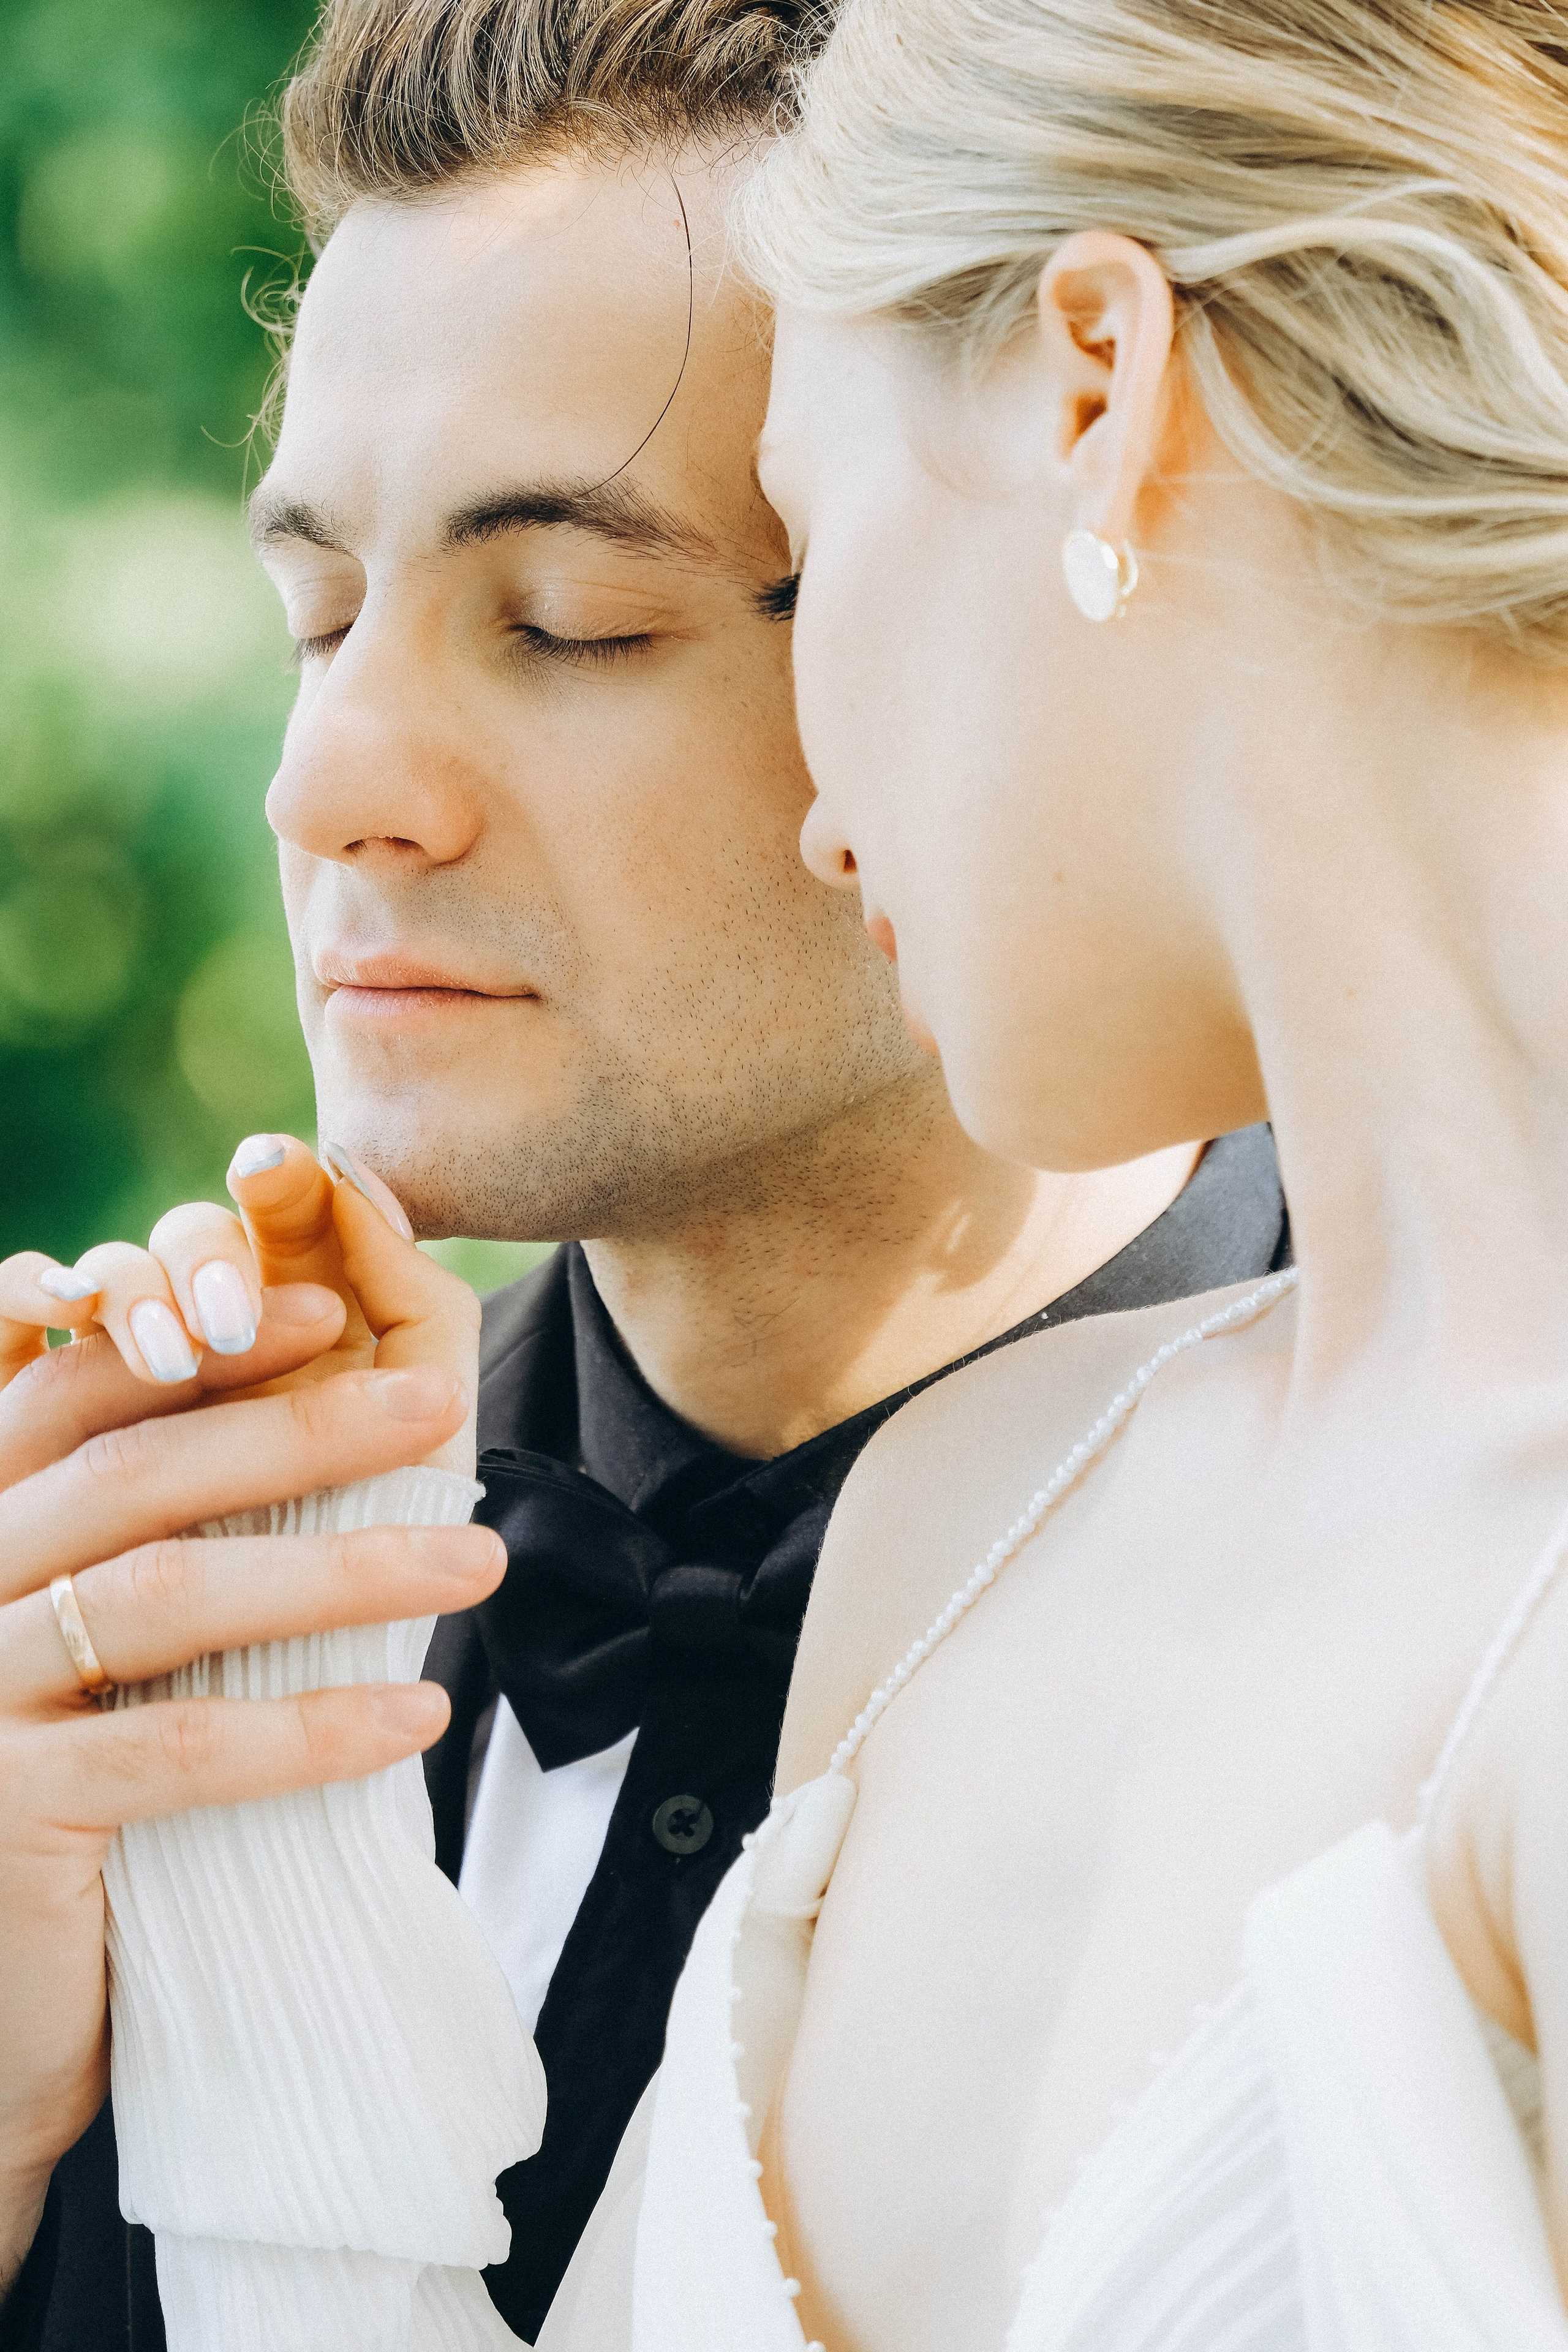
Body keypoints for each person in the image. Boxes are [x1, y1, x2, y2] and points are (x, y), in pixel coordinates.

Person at [0, 5, 1292, 2346]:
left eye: (566, 624)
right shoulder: (143, 1637)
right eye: (316, 615)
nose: (325, 784)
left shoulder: (1440, 1578)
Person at [535, 1, 1568, 2346]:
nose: (816, 818)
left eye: (811, 544)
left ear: (1098, 383)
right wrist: (241, 1863)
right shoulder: (974, 1504)